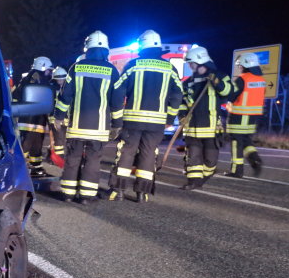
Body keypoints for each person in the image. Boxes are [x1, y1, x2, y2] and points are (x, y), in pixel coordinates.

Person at [108, 30, 183, 202]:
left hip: (132, 120)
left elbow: (118, 91)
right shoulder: (170, 68)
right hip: (157, 123)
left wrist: (117, 119)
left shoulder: (133, 65)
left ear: (142, 46)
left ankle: (118, 191)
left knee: (126, 152)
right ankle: (142, 194)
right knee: (148, 154)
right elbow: (177, 95)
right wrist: (169, 119)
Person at [53, 30, 122, 203]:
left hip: (77, 125)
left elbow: (65, 96)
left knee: (73, 158)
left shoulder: (76, 67)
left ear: (87, 49)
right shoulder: (112, 71)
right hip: (99, 129)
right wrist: (117, 124)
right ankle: (86, 196)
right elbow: (117, 101)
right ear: (106, 50)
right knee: (93, 161)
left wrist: (58, 117)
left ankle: (68, 194)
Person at [178, 46, 232, 190]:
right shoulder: (188, 82)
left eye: (191, 63)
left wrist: (214, 80)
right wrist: (182, 115)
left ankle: (203, 178)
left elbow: (227, 91)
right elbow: (182, 102)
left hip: (211, 127)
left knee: (210, 160)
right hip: (192, 127)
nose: (190, 66)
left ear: (199, 61)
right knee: (193, 157)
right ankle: (193, 182)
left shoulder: (220, 76)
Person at [224, 52, 265, 177]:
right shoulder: (261, 80)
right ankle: (255, 160)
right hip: (253, 117)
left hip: (239, 115)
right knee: (246, 140)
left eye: (240, 65)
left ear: (245, 65)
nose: (240, 67)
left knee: (236, 142)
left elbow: (231, 95)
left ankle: (236, 170)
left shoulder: (242, 79)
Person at [14, 56, 54, 177]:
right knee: (26, 146)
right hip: (30, 121)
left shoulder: (31, 79)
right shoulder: (35, 79)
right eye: (49, 70)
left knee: (36, 146)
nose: (50, 73)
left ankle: (36, 167)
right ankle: (16, 169)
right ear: (42, 68)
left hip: (36, 121)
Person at [49, 66, 70, 164]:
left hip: (67, 119)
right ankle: (58, 159)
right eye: (58, 80)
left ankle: (63, 158)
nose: (59, 82)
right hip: (56, 119)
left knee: (66, 140)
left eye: (61, 79)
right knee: (59, 140)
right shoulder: (53, 89)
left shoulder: (68, 88)